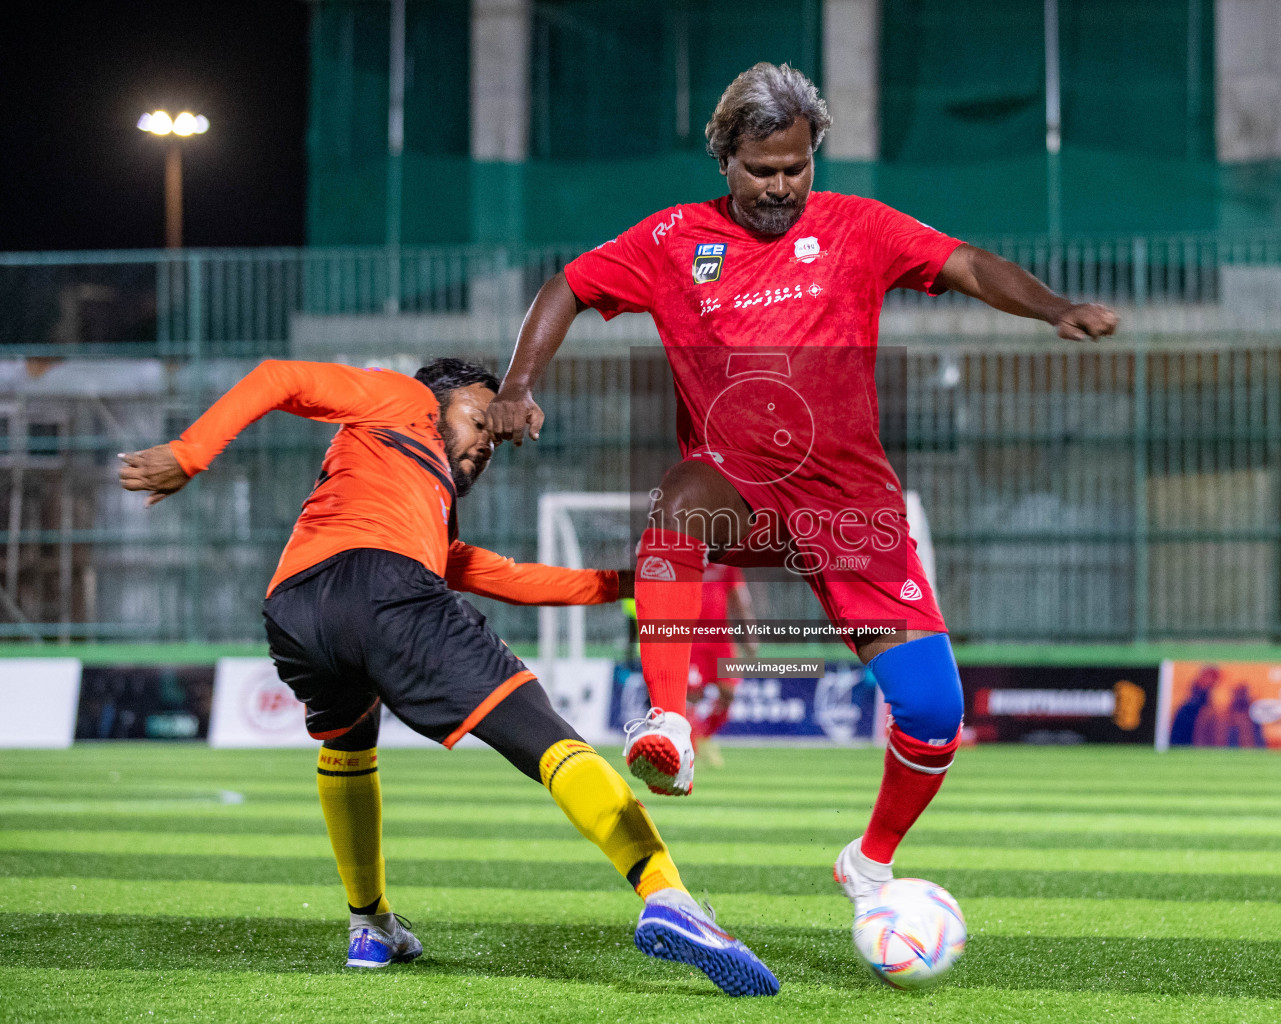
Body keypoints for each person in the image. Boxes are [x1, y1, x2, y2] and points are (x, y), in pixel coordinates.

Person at [484, 62, 1117, 921]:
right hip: (739, 487)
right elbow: (568, 285)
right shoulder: (673, 241)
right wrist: (518, 385)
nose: (781, 186)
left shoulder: (858, 227)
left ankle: (870, 863)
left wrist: (1051, 307)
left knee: (933, 711)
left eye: (796, 167)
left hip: (849, 505)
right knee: (679, 504)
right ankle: (666, 721)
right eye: (761, 170)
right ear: (724, 160)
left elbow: (965, 262)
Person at [117, 357, 777, 997]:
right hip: (383, 585)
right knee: (542, 731)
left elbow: (506, 577)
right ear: (439, 395)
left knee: (349, 737)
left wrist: (636, 582)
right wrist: (191, 451)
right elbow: (281, 377)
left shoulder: (409, 496)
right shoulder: (399, 397)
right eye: (482, 413)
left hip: (295, 613)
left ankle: (370, 924)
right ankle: (666, 895)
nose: (490, 438)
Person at [687, 562, 757, 765]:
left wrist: (749, 635)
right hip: (693, 639)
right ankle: (689, 749)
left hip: (720, 640)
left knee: (729, 693)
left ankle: (703, 736)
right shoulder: (685, 561)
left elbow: (740, 601)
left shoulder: (726, 565)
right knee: (692, 697)